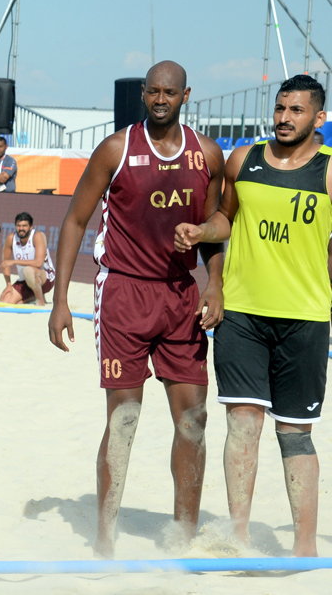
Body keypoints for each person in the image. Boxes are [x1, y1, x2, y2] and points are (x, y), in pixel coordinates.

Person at [47, 61, 226, 558]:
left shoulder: (207, 153)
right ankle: (105, 539)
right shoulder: (116, 149)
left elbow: (215, 226)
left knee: (194, 421)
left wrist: (215, 285)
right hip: (124, 294)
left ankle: (183, 537)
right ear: (143, 96)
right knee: (124, 419)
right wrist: (61, 300)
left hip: (180, 296)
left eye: (170, 91)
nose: (161, 99)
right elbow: (76, 219)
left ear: (185, 95)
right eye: (153, 92)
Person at [174, 74, 329, 557]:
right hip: (241, 314)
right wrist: (202, 230)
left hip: (305, 318)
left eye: (296, 110)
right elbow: (225, 216)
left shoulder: (327, 172)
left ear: (318, 118)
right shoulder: (246, 159)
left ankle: (304, 548)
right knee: (242, 424)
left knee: (294, 434)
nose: (284, 118)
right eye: (281, 108)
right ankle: (237, 538)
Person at [0, 211, 56, 307]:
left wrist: (14, 261)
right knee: (5, 302)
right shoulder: (11, 238)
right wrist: (8, 284)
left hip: (45, 278)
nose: (21, 228)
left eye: (24, 226)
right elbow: (5, 264)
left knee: (28, 270)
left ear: (31, 227)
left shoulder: (37, 236)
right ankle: (30, 298)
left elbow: (38, 262)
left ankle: (40, 301)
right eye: (18, 225)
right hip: (25, 280)